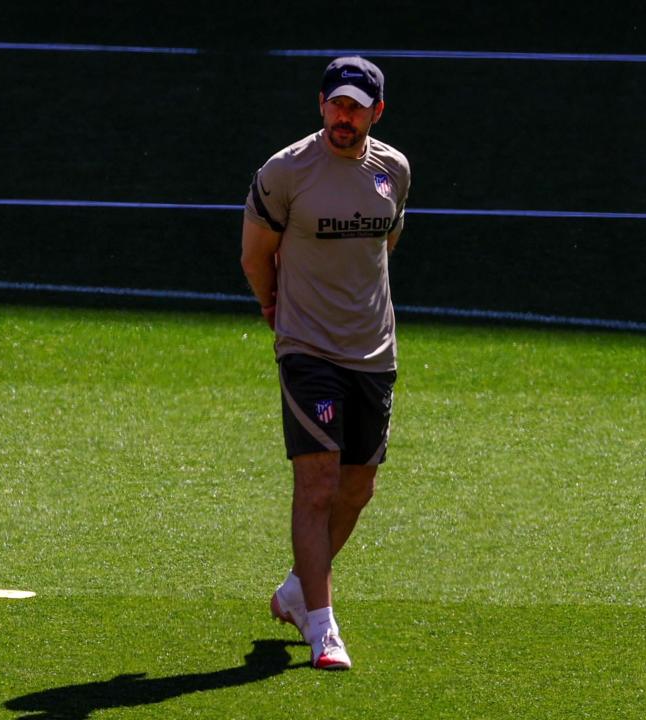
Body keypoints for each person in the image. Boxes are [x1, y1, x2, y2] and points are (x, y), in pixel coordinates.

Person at [240, 56, 411, 670]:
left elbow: (384, 244)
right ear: (321, 105)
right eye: (337, 104)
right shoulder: (285, 172)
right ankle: (323, 627)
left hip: (374, 351)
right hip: (307, 348)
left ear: (376, 112)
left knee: (357, 488)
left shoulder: (393, 171)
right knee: (316, 485)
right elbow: (255, 252)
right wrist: (272, 307)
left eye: (357, 107)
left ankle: (294, 592)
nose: (345, 116)